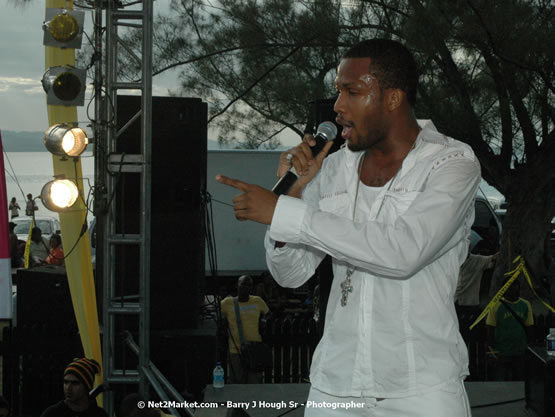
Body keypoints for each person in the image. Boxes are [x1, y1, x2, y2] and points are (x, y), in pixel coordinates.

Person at [216, 39, 479, 415]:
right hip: (336, 386)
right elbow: (291, 275)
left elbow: (403, 252)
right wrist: (293, 195)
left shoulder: (450, 163)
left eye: (351, 92)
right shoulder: (334, 168)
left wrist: (285, 214)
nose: (338, 106)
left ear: (393, 98)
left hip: (420, 389)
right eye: (338, 91)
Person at [220, 275, 270, 384]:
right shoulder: (227, 303)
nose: (246, 287)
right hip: (235, 350)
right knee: (237, 382)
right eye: (243, 284)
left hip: (255, 349)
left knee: (254, 382)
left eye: (249, 285)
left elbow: (269, 314)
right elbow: (216, 317)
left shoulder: (258, 301)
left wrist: (264, 320)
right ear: (237, 286)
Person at [486, 281, 534, 381]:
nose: (514, 292)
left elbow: (530, 327)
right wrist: (492, 349)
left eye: (516, 289)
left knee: (519, 381)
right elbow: (490, 328)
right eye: (511, 289)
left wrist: (528, 347)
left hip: (520, 351)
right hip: (502, 352)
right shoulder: (495, 305)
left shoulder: (525, 304)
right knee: (501, 382)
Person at [40, 358, 108, 417]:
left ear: (87, 386)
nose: (68, 387)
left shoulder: (99, 414)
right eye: (66, 382)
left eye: (75, 383)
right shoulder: (52, 414)